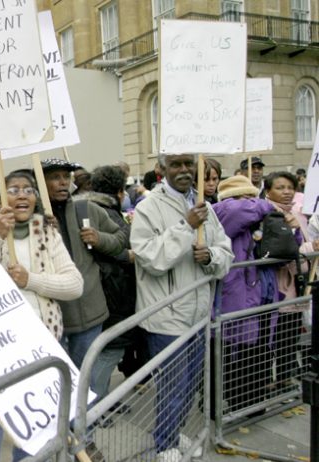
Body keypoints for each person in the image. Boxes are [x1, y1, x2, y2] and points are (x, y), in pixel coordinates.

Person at [0, 169, 83, 462]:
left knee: (37, 429)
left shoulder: (47, 232)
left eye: (27, 189)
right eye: (12, 190)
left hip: (42, 347)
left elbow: (75, 284)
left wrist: (32, 281)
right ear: (0, 200)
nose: (21, 195)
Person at [130, 154, 233, 462]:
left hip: (199, 315)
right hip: (167, 315)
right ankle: (164, 445)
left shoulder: (206, 207)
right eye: (176, 164)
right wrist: (186, 227)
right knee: (172, 389)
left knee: (189, 388)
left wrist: (211, 255)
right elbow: (151, 259)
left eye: (190, 164)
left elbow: (226, 253)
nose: (185, 170)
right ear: (162, 169)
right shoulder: (148, 208)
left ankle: (173, 434)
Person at [42, 158, 126, 377]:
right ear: (40, 183)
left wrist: (99, 238)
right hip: (54, 320)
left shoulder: (85, 208)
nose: (62, 183)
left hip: (91, 314)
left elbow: (121, 237)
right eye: (54, 178)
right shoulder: (33, 219)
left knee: (85, 379)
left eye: (65, 177)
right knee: (60, 381)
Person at [211, 175, 277, 414]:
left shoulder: (250, 218)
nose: (251, 201)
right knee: (230, 350)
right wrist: (266, 203)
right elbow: (241, 209)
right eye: (245, 196)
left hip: (256, 292)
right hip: (233, 293)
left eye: (252, 196)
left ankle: (249, 403)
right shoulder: (225, 211)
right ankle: (222, 404)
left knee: (252, 350)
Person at [81, 165, 139, 403]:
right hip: (112, 290)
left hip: (102, 291)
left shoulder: (87, 207)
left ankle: (98, 401)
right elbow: (113, 246)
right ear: (119, 191)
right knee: (111, 348)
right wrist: (128, 255)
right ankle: (94, 405)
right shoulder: (105, 212)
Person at [263, 171, 318, 391]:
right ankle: (267, 383)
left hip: (297, 285)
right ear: (268, 191)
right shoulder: (269, 215)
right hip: (279, 287)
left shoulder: (297, 214)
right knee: (273, 338)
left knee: (290, 336)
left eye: (290, 187)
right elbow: (284, 252)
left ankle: (284, 380)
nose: (286, 192)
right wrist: (309, 248)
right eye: (280, 187)